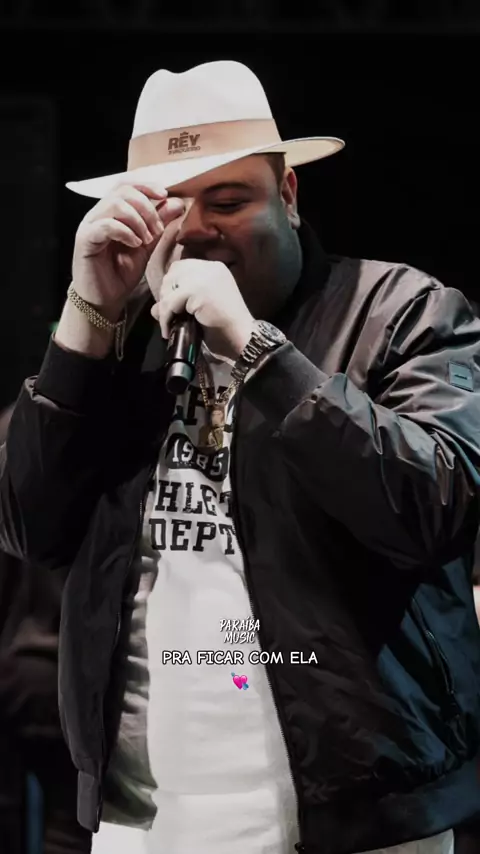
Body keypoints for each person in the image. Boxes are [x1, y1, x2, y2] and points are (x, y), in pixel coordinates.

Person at [1, 58, 480, 854]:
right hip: (141, 822)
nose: (194, 230)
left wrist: (259, 352)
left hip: (352, 822)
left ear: (288, 193)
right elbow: (28, 528)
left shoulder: (402, 312)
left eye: (227, 201)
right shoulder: (121, 344)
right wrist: (86, 317)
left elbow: (436, 507)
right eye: (166, 206)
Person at [0, 403, 92, 854]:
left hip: (17, 672)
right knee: (72, 825)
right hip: (69, 678)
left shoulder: (9, 429)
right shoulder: (107, 433)